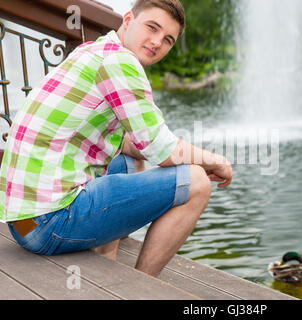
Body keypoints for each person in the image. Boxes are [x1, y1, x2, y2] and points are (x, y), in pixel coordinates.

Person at [0, 0, 233, 277]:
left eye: (167, 39)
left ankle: (105, 259)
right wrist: (214, 160)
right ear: (127, 20)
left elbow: (137, 144)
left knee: (126, 160)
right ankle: (141, 287)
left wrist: (158, 151)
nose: (157, 42)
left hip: (23, 221)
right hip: (49, 224)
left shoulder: (95, 51)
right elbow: (161, 149)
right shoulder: (120, 62)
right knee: (196, 182)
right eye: (152, 27)